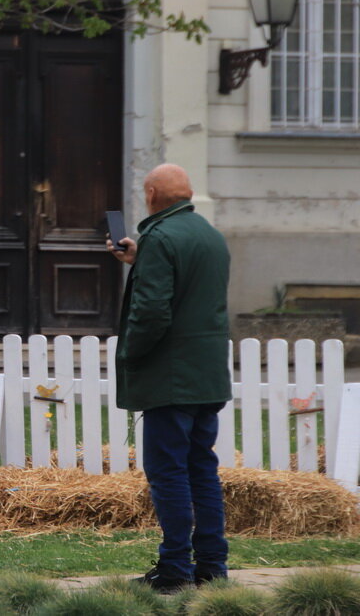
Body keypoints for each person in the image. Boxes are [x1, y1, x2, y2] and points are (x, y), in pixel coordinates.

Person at [107, 164, 232, 594]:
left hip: (171, 378)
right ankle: (213, 567)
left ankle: (175, 568)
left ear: (154, 193)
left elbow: (153, 311)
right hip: (207, 376)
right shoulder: (210, 235)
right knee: (202, 469)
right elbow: (190, 289)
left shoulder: (159, 237)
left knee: (168, 473)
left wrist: (129, 355)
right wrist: (139, 259)